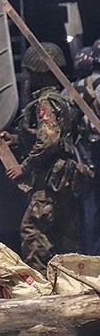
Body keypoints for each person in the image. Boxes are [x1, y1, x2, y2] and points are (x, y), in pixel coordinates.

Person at [1, 42, 89, 271]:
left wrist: (23, 167)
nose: (28, 78)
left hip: (49, 181)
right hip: (63, 179)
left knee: (33, 232)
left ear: (39, 74)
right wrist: (16, 139)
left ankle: (42, 280)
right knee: (64, 235)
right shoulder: (61, 100)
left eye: (31, 73)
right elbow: (52, 137)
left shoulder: (45, 103)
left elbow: (48, 141)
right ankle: (69, 279)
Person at [68, 39, 100, 256]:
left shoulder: (72, 89)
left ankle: (91, 257)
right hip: (92, 151)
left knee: (89, 208)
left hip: (86, 153)